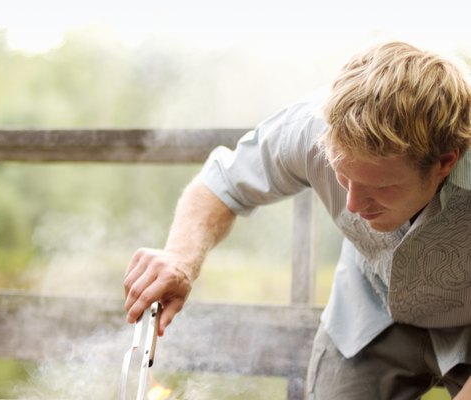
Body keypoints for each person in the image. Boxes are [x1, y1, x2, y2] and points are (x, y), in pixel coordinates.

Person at [123, 41, 471, 399]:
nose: (351, 205)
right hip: (369, 313)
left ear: (445, 162)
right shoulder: (312, 126)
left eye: (381, 187)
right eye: (343, 177)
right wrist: (182, 259)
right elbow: (223, 183)